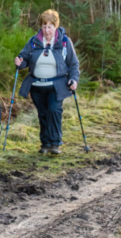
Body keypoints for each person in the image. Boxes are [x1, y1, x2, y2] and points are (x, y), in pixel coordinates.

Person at [14, 9, 80, 155]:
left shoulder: (64, 42)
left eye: (50, 26)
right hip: (36, 86)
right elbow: (24, 59)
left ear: (55, 26)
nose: (46, 30)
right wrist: (20, 61)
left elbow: (73, 64)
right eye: (44, 26)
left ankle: (55, 143)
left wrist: (73, 79)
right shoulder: (33, 41)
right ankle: (45, 143)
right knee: (43, 114)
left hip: (56, 86)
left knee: (54, 111)